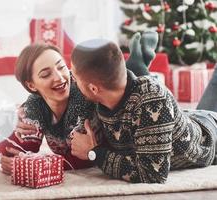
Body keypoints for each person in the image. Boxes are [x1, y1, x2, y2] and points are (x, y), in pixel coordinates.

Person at [0, 31, 159, 175]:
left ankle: (138, 62)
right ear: (31, 85)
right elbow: (13, 151)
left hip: (122, 95)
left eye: (61, 67)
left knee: (130, 80)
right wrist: (10, 126)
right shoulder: (34, 105)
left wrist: (39, 165)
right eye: (46, 74)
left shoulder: (83, 96)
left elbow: (84, 157)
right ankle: (138, 61)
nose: (60, 78)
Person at [69, 38, 217, 184]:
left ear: (93, 88)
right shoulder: (91, 97)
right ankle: (138, 64)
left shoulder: (152, 98)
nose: (72, 82)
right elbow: (79, 141)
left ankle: (138, 64)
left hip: (209, 135)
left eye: (75, 78)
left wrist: (95, 153)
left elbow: (152, 174)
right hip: (178, 119)